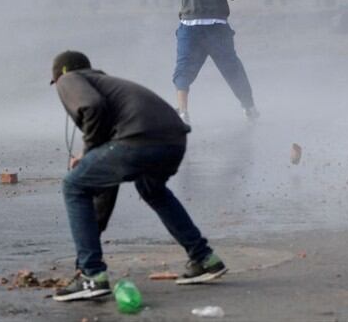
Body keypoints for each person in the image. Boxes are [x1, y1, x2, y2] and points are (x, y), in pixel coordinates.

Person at [50, 51, 227, 302]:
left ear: (62, 73)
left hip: (139, 140)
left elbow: (92, 106)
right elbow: (106, 186)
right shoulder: (110, 85)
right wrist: (94, 224)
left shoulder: (70, 79)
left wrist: (88, 154)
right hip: (173, 141)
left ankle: (92, 276)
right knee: (152, 189)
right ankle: (205, 259)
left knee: (73, 185)